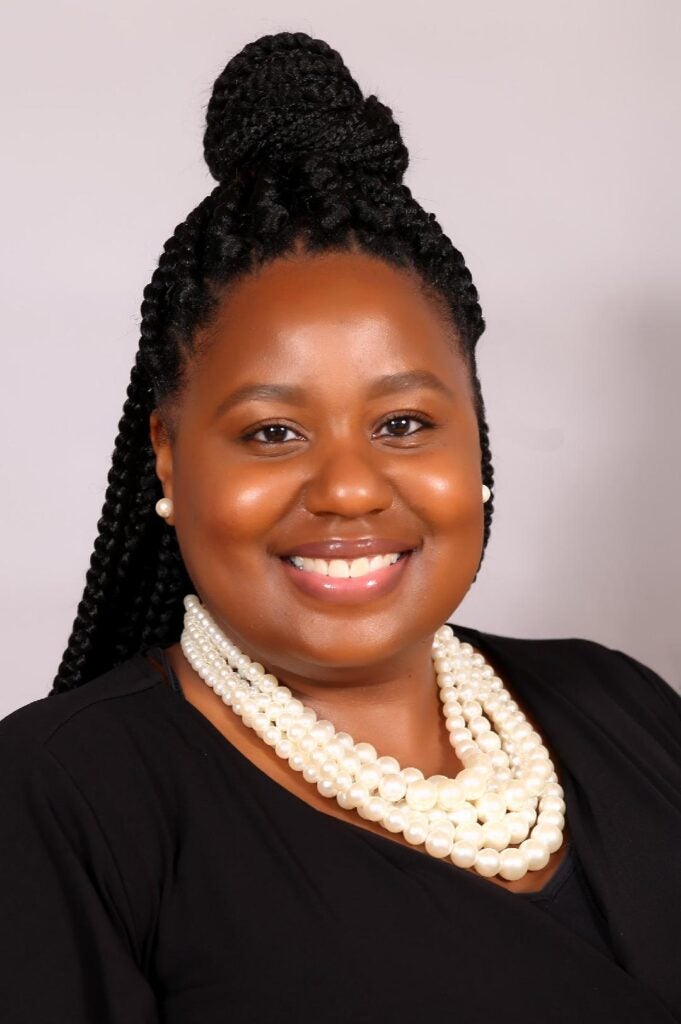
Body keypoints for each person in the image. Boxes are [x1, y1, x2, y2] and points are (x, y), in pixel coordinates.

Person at [1, 30, 679, 1024]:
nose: (352, 489)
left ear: (474, 444)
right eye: (273, 431)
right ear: (171, 455)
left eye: (405, 423)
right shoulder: (66, 802)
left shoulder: (623, 705)